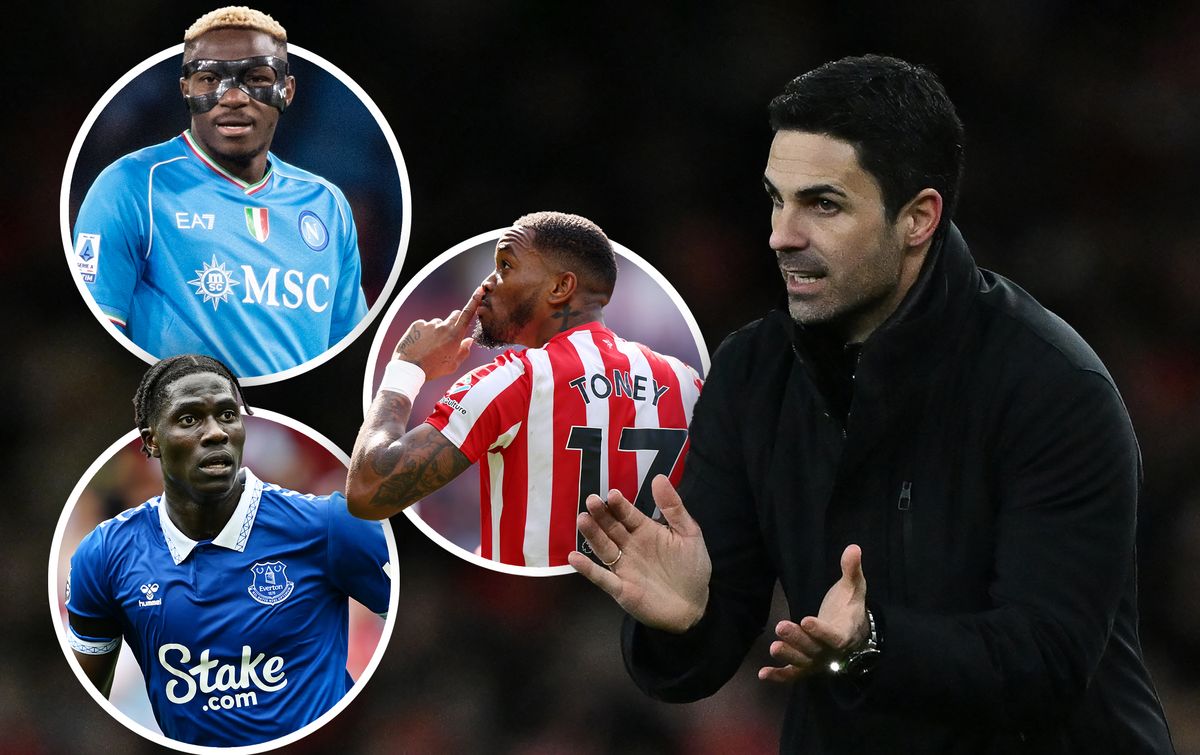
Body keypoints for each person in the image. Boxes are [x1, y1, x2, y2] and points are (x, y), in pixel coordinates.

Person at [569, 56, 1175, 753]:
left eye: (822, 204)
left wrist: (873, 643)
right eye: (776, 198)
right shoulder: (752, 375)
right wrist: (685, 619)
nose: (781, 234)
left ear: (917, 218)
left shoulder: (1055, 388)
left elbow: (1047, 659)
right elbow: (707, 652)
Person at [65, 354, 391, 747]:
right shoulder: (104, 554)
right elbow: (91, 700)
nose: (216, 432)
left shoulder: (331, 525)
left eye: (227, 415)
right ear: (151, 441)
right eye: (189, 419)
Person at [346, 211, 703, 568]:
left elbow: (367, 491)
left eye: (505, 265)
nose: (487, 283)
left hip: (527, 606)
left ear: (560, 288)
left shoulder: (515, 379)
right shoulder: (688, 383)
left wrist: (406, 369)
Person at [71, 7, 368, 379]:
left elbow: (345, 352)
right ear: (186, 89)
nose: (232, 98)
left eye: (256, 78)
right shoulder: (130, 185)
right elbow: (101, 348)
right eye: (210, 79)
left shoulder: (328, 204)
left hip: (297, 423)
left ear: (287, 90)